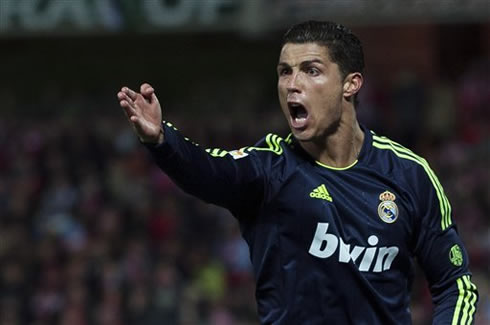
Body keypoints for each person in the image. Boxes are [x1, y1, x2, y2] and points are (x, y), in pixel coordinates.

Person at [117, 21, 478, 324]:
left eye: (311, 70)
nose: (293, 83)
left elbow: (454, 284)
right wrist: (163, 139)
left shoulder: (408, 174)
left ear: (350, 84)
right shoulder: (269, 168)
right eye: (284, 71)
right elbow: (207, 169)